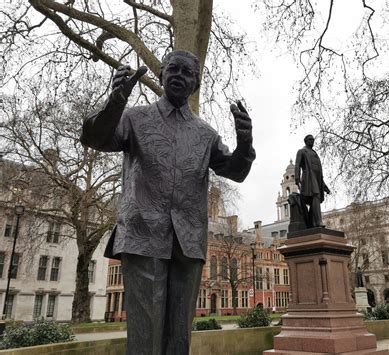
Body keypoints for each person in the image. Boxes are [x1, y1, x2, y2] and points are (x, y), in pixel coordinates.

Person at [80, 50, 255, 355]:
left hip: (188, 242)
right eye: (172, 69)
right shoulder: (135, 118)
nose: (179, 76)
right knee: (146, 335)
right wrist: (116, 101)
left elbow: (235, 170)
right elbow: (95, 137)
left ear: (195, 84)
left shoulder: (206, 135)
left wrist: (245, 142)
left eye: (187, 73)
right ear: (161, 76)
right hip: (142, 235)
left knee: (179, 337)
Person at [294, 134, 330, 228]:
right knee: (316, 196)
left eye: (313, 140)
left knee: (315, 199)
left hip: (317, 179)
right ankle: (318, 221)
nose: (312, 141)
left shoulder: (314, 153)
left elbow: (318, 172)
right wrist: (297, 178)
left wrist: (324, 186)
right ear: (305, 141)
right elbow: (297, 164)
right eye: (310, 139)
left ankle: (311, 222)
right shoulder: (302, 151)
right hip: (308, 178)